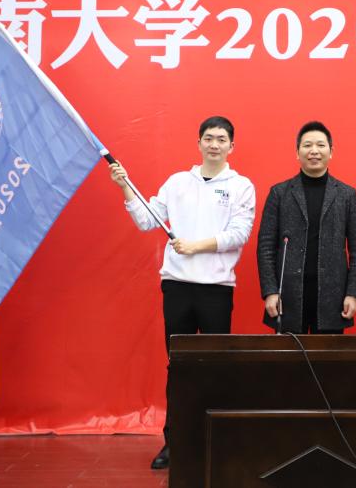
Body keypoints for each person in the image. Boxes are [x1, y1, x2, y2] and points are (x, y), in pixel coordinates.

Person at [108, 116, 255, 470]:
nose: (214, 144)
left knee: (216, 366)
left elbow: (239, 234)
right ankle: (174, 442)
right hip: (177, 287)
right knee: (179, 366)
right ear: (199, 142)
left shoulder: (241, 186)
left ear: (231, 146)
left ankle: (217, 441)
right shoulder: (177, 183)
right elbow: (147, 219)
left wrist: (195, 246)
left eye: (221, 139)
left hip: (216, 289)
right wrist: (125, 186)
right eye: (208, 138)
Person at [257, 121, 356, 334]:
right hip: (287, 295)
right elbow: (265, 246)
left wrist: (353, 293)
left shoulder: (347, 195)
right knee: (288, 355)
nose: (314, 151)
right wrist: (270, 291)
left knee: (327, 355)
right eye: (307, 145)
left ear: (331, 151)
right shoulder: (279, 193)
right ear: (297, 152)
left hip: (333, 295)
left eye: (320, 145)